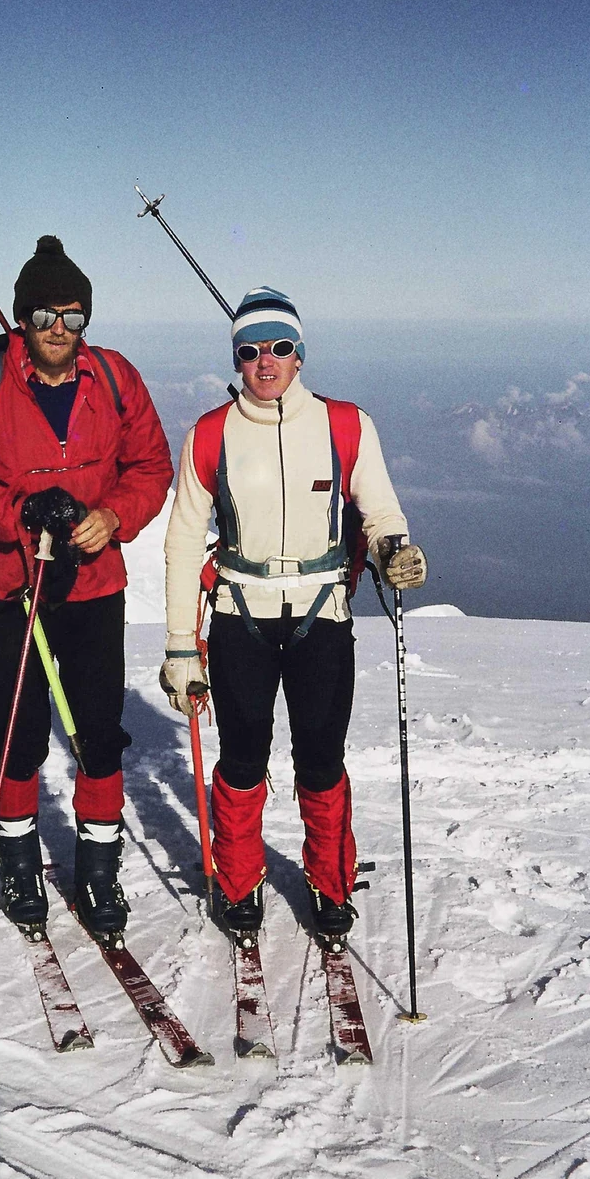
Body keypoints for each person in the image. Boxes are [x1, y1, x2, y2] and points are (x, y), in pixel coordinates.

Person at [0, 236, 172, 940]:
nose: (59, 328)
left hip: (94, 586)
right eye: (43, 315)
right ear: (22, 319)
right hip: (14, 586)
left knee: (99, 734)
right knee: (21, 732)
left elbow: (152, 465)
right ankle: (20, 856)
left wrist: (114, 515)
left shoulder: (115, 378)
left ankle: (98, 868)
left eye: (73, 314)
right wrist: (15, 512)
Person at [159, 288, 427, 945]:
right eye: (249, 351)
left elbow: (382, 512)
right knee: (243, 756)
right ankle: (240, 879)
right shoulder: (211, 435)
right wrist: (179, 648)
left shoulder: (345, 426)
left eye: (279, 347)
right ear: (237, 359)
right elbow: (182, 542)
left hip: (323, 615)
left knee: (320, 756)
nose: (265, 361)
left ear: (300, 354)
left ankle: (329, 882)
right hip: (239, 617)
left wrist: (395, 550)